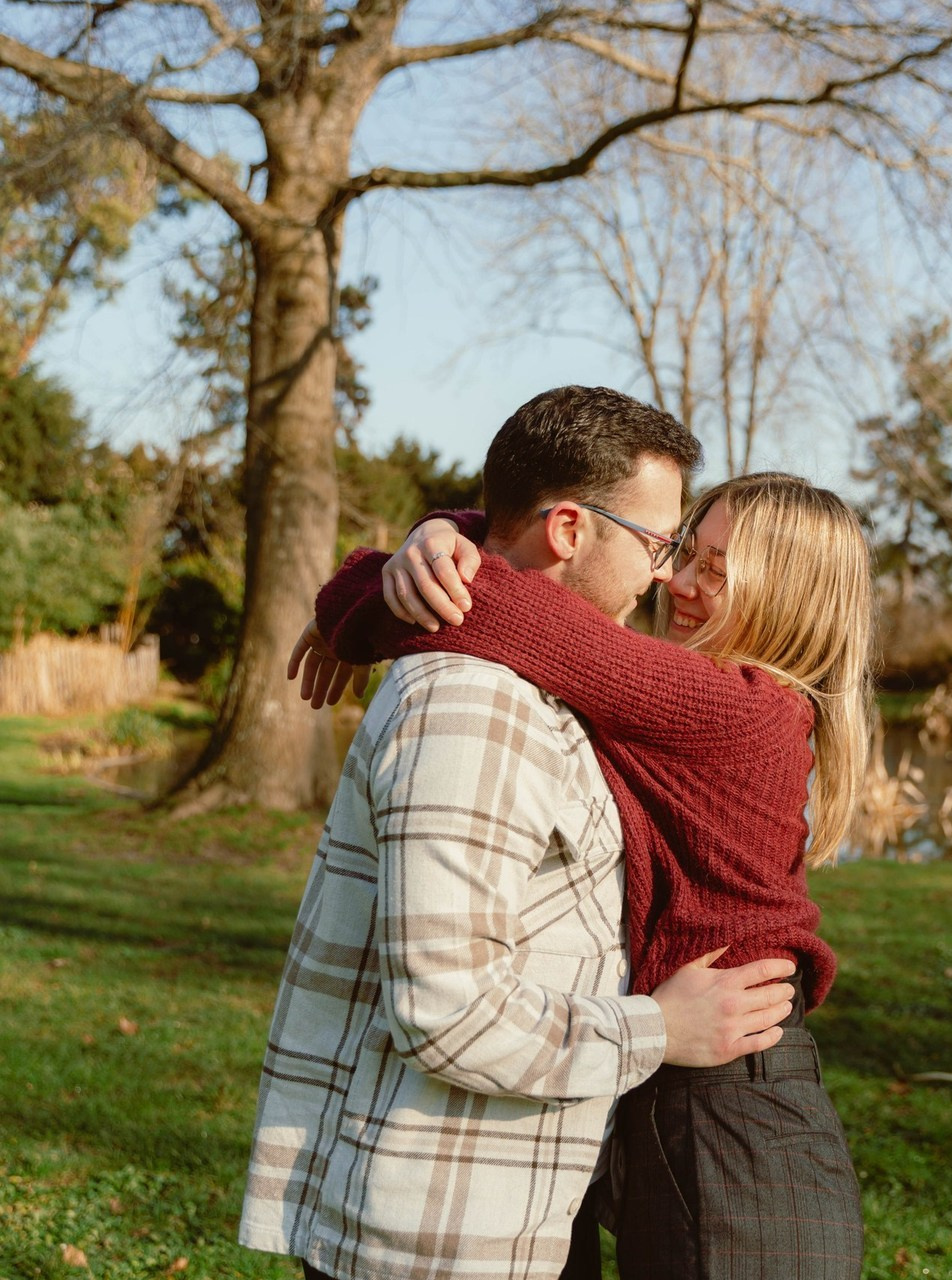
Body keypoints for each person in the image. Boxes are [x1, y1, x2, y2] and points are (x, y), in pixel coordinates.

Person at [239, 387, 800, 1280]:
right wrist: (659, 1029)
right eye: (662, 545)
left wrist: (413, 559)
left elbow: (509, 598)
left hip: (514, 1205)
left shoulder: (590, 686)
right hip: (442, 1238)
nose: (667, 577)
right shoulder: (472, 704)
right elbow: (447, 1012)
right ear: (573, 531)